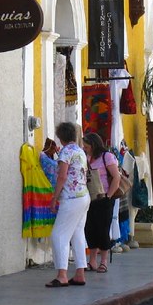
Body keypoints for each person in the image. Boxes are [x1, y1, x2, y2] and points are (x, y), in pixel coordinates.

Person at [46, 121, 90, 288]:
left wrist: (54, 198)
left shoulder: (65, 152)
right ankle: (80, 273)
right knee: (78, 233)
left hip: (71, 198)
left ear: (61, 137)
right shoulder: (80, 151)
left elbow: (62, 176)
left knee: (58, 235)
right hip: (83, 196)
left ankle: (62, 275)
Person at [82, 132, 121, 273]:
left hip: (104, 198)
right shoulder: (86, 158)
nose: (84, 148)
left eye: (86, 146)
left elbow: (116, 177)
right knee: (89, 229)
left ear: (93, 145)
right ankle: (92, 261)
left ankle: (103, 261)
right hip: (89, 198)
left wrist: (108, 196)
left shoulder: (107, 157)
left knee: (103, 230)